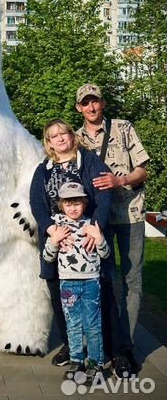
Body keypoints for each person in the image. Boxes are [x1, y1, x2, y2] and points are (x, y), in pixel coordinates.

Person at [76, 83, 150, 375]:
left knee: (132, 281)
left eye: (95, 102)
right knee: (102, 280)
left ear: (102, 103)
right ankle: (107, 342)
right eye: (86, 103)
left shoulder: (122, 128)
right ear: (79, 108)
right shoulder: (76, 138)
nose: (91, 108)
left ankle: (127, 347)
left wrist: (119, 181)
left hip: (130, 213)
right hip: (99, 220)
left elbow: (143, 168)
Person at [29, 118, 112, 370]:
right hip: (58, 242)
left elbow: (103, 194)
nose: (61, 138)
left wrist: (94, 227)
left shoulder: (88, 161)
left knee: (96, 301)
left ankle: (101, 351)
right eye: (54, 136)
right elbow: (36, 202)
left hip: (87, 242)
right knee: (60, 298)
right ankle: (71, 348)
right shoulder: (43, 169)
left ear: (70, 136)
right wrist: (52, 229)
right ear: (49, 142)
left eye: (64, 133)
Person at [43, 181, 110, 385]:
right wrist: (54, 241)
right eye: (68, 203)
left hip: (90, 282)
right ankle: (76, 361)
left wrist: (99, 239)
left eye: (77, 203)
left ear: (84, 203)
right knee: (73, 325)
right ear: (61, 205)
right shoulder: (57, 228)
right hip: (68, 284)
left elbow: (105, 254)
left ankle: (96, 364)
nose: (73, 208)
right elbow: (47, 257)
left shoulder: (92, 225)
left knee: (92, 324)